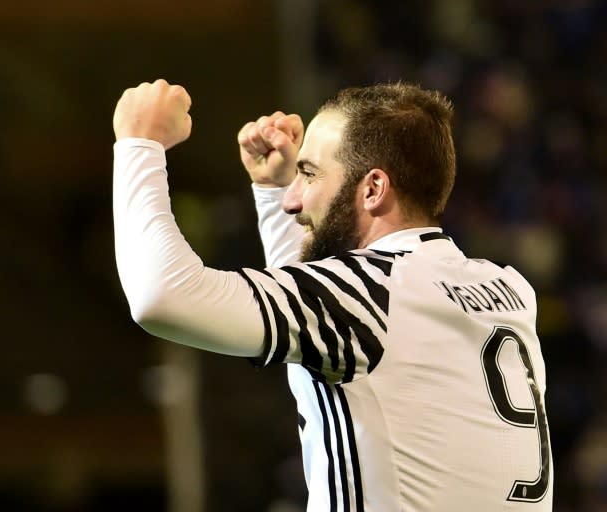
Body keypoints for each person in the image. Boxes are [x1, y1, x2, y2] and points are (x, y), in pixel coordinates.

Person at [112, 79, 553, 511]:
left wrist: (138, 144)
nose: (293, 200)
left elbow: (162, 296)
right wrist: (271, 190)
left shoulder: (370, 292)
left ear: (373, 189)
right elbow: (323, 324)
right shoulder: (507, 288)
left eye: (309, 174)